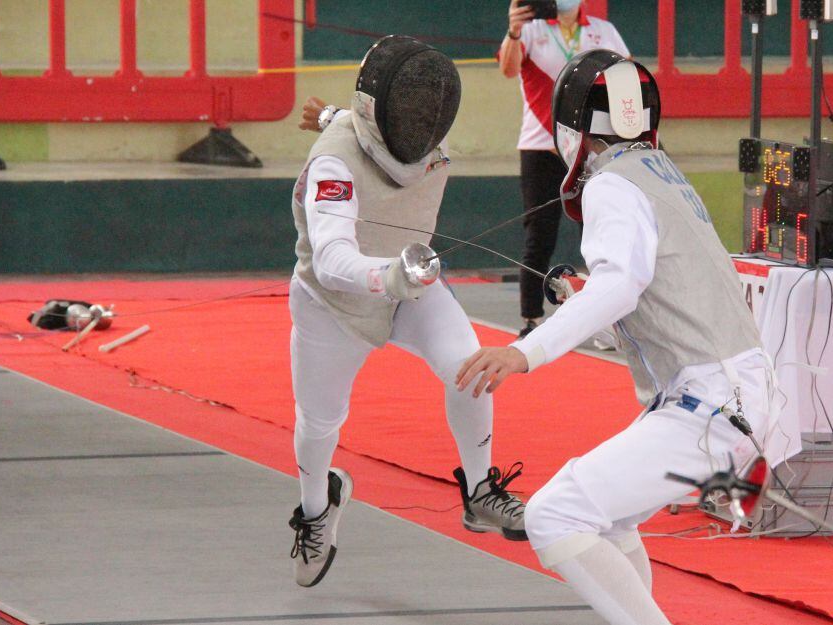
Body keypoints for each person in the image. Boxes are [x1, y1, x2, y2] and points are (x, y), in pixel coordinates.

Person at [456, 50, 782, 625]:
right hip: (725, 396)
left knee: (553, 515)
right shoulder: (660, 171)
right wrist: (582, 302)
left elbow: (623, 284)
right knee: (610, 518)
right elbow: (644, 299)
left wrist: (522, 350)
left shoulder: (611, 186)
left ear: (569, 127)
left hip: (711, 405)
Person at [287, 35, 526, 589]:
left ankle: (480, 490)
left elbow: (358, 125)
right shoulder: (333, 163)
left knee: (472, 367)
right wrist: (387, 274)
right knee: (320, 423)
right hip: (334, 304)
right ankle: (317, 508)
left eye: (430, 111)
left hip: (407, 288)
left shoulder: (387, 133)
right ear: (382, 107)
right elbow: (330, 259)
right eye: (412, 108)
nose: (423, 122)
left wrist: (326, 112)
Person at [499, 0, 629, 338]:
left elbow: (627, 76)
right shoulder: (530, 29)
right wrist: (513, 31)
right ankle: (531, 320)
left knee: (601, 231)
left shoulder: (604, 31)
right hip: (540, 146)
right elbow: (509, 70)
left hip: (589, 148)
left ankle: (607, 320)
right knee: (539, 235)